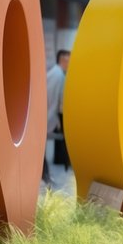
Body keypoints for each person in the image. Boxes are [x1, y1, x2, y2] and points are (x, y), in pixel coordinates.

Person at [44, 49, 70, 186]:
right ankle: (46, 176)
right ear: (63, 59)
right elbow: (61, 101)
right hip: (49, 115)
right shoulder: (60, 76)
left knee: (41, 148)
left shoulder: (53, 73)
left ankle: (46, 176)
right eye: (69, 60)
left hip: (46, 114)